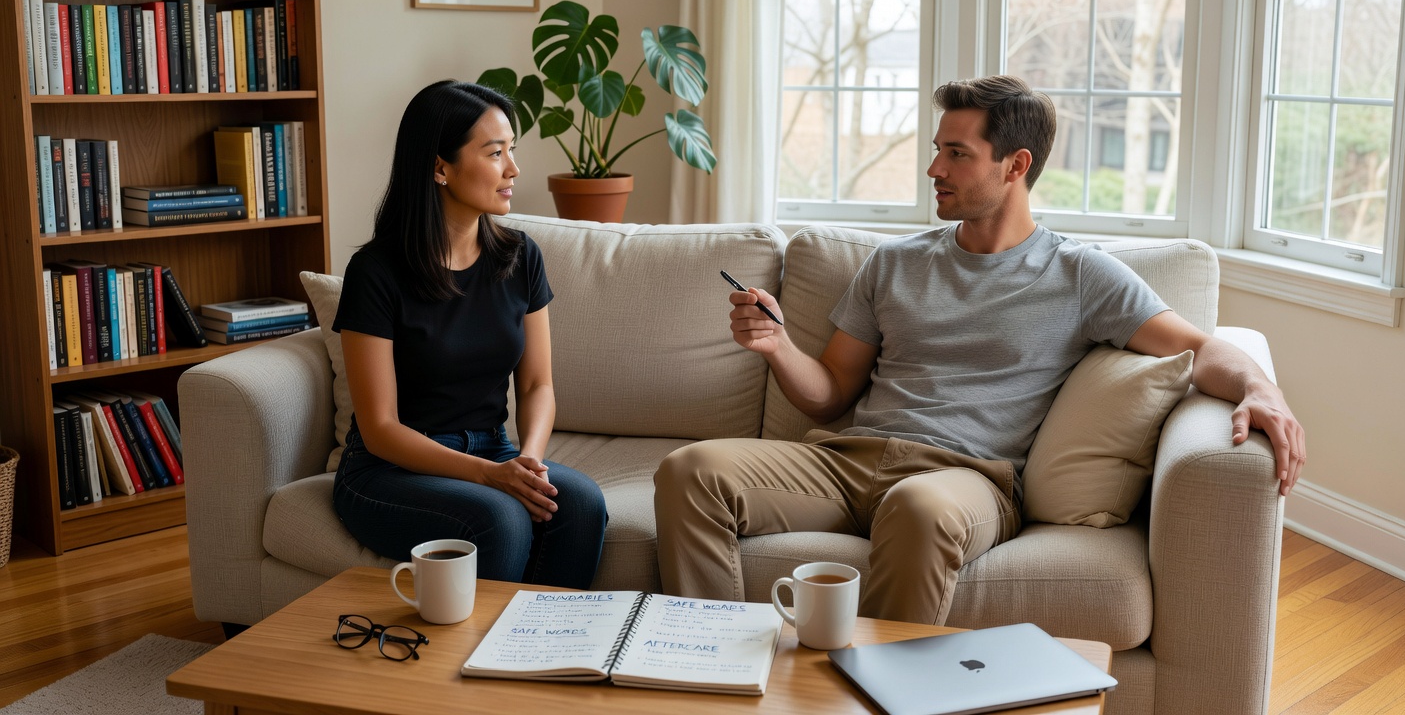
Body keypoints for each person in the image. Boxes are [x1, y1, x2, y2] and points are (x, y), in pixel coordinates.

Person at [653, 75, 1306, 625]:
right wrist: (775, 345)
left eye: (956, 154)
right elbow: (829, 393)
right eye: (937, 150)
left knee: (918, 507)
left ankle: (876, 691)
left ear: (1015, 165)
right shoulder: (894, 263)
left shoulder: (1080, 275)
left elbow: (1200, 350)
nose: (934, 169)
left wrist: (1262, 390)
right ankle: (709, 662)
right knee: (690, 471)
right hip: (845, 462)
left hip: (966, 479)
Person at [333, 80, 607, 589]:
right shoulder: (375, 271)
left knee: (582, 504)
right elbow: (380, 429)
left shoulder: (520, 256)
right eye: (495, 153)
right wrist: (489, 477)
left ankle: (541, 655)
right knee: (499, 520)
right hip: (390, 469)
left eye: (512, 151)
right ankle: (469, 664)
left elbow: (536, 386)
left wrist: (529, 459)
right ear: (440, 167)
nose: (513, 170)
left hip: (494, 451)